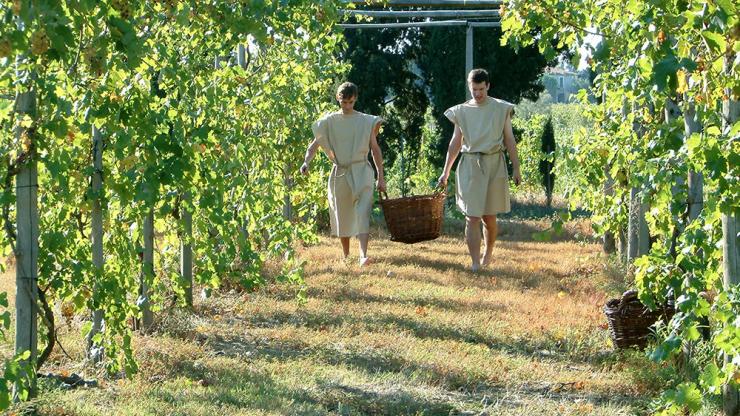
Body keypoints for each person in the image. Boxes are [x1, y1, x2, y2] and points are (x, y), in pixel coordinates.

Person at [437, 69, 522, 272]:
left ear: (488, 86)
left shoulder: (501, 108)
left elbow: (509, 139)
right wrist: (445, 171)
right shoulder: (461, 111)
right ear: (469, 87)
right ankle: (475, 263)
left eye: (481, 89)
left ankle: (488, 253)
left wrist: (516, 168)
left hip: (494, 163)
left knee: (489, 218)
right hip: (470, 165)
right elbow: (455, 142)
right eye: (474, 89)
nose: (478, 93)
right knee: (472, 216)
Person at [300, 82, 386, 267]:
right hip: (340, 171)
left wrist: (381, 176)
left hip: (362, 170)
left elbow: (375, 150)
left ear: (355, 100)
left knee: (363, 212)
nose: (347, 106)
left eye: (351, 102)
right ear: (338, 99)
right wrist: (306, 162)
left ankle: (363, 255)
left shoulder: (366, 121)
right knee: (343, 213)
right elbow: (314, 145)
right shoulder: (329, 121)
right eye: (344, 102)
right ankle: (346, 255)